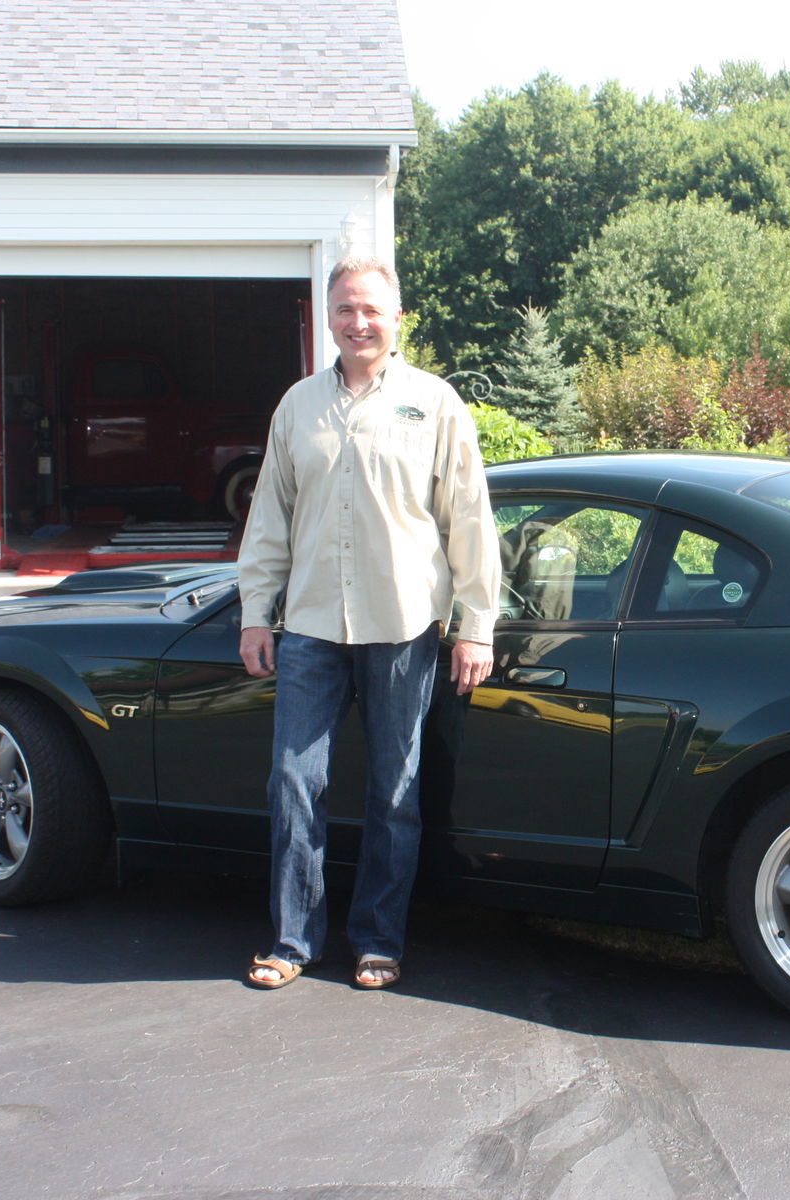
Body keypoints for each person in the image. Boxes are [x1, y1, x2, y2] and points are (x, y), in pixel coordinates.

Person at [236, 256, 498, 991]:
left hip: (404, 626)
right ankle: (293, 941)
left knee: (394, 793)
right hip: (312, 627)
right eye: (346, 309)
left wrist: (476, 622)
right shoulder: (297, 408)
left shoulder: (434, 404)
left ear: (397, 317)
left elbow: (470, 521)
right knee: (292, 783)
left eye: (372, 310)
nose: (359, 322)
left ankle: (378, 940)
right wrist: (257, 613)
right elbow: (269, 522)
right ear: (329, 316)